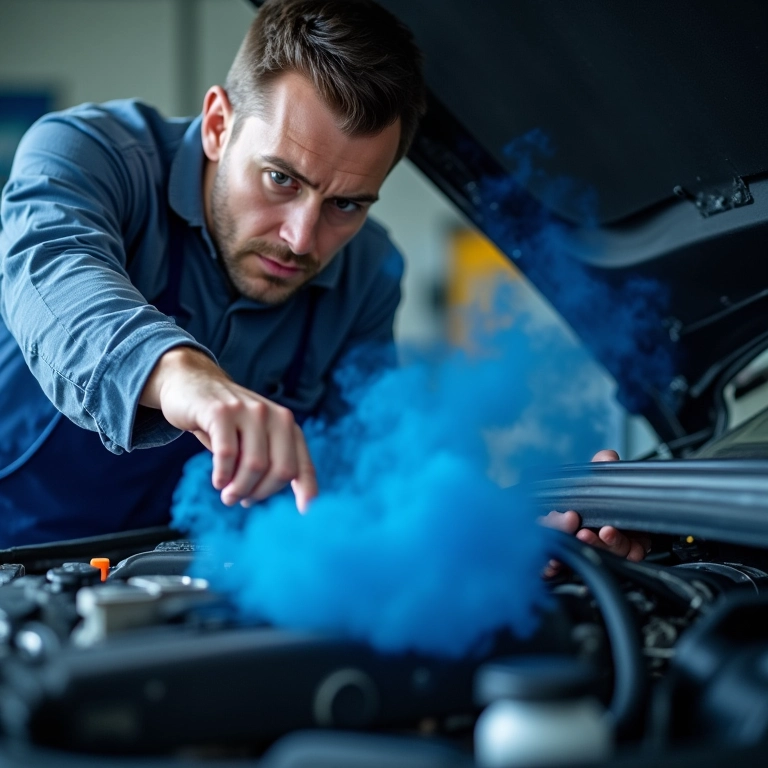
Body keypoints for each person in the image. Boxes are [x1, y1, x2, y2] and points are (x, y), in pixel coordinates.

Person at [0, 0, 426, 545]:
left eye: (346, 204)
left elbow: (361, 465)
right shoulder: (86, 153)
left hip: (170, 572)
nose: (300, 238)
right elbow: (56, 274)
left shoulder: (368, 274)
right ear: (219, 125)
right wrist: (183, 375)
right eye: (281, 179)